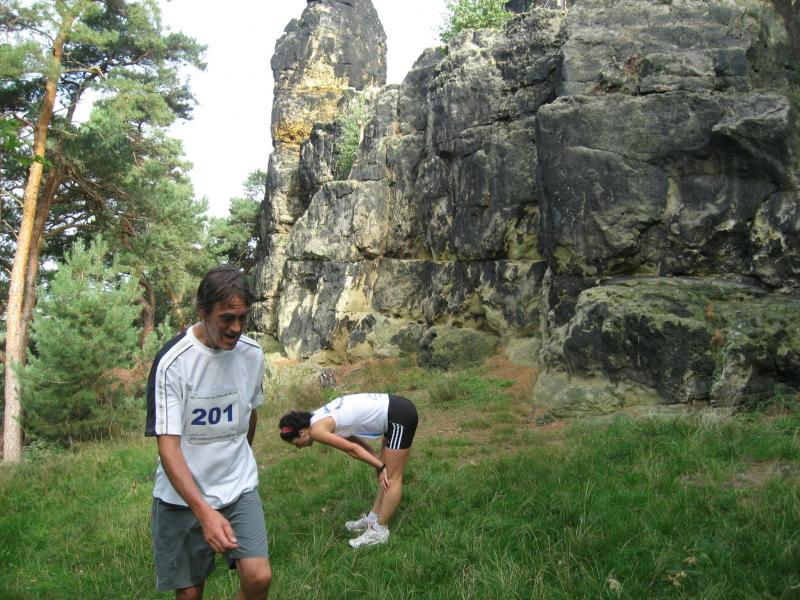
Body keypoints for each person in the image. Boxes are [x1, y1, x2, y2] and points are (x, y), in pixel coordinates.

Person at [145, 265, 271, 600]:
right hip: (181, 497)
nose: (236, 328)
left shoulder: (252, 354)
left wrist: (239, 463)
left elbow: (250, 413)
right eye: (227, 318)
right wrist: (204, 513)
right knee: (189, 594)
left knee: (258, 578)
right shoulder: (173, 363)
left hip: (237, 487)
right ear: (202, 311)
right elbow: (168, 448)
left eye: (242, 318)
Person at [278, 393, 418, 548]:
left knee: (392, 477)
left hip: (399, 417)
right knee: (384, 475)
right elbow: (354, 442)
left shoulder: (317, 431)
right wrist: (379, 464)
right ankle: (373, 518)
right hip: (395, 411)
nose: (299, 448)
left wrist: (381, 466)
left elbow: (352, 449)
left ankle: (379, 531)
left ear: (302, 433)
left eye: (296, 444)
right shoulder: (319, 418)